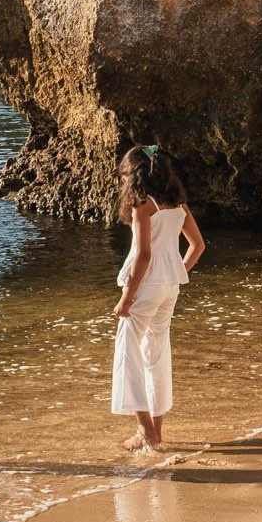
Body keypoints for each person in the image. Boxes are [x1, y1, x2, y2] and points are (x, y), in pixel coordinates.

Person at [113, 144, 205, 456]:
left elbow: (143, 255)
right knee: (157, 354)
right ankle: (157, 431)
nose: (123, 183)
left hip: (145, 286)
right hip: (170, 287)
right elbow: (198, 246)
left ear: (134, 176)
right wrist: (175, 271)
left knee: (128, 351)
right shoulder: (178, 204)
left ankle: (145, 431)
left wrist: (127, 297)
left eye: (124, 177)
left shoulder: (143, 206)